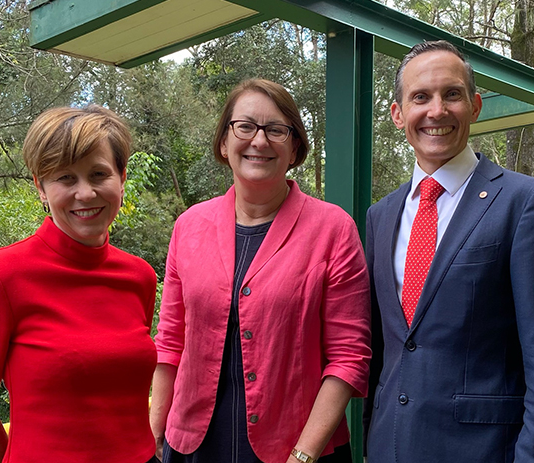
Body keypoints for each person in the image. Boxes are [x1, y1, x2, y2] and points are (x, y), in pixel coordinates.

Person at [364, 41, 534, 462]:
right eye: (420, 97)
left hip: (483, 451)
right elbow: (385, 351)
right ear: (397, 114)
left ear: (475, 105)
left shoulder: (526, 203)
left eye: (452, 94)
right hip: (389, 446)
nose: (437, 110)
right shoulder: (380, 215)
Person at [150, 79, 371, 463]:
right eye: (245, 126)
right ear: (224, 142)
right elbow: (170, 343)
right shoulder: (189, 226)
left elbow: (348, 357)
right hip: (193, 446)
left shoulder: (333, 229)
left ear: (295, 147)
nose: (259, 140)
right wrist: (151, 434)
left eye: (276, 129)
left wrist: (303, 455)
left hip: (299, 448)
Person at [0, 105, 159, 463]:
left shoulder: (139, 277)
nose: (86, 193)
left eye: (98, 174)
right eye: (65, 178)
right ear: (40, 187)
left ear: (121, 178)